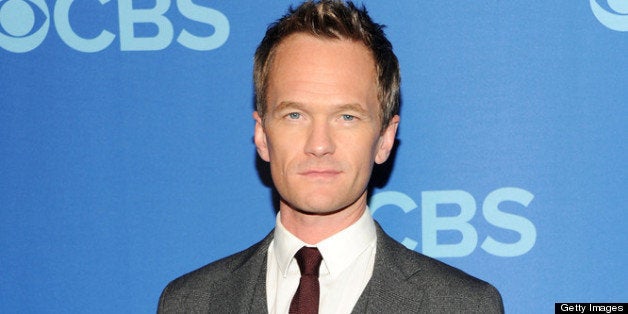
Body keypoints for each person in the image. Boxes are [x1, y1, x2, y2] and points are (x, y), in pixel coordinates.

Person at [158, 1, 504, 313]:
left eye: (346, 117)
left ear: (385, 138)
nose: (319, 144)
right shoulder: (191, 302)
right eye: (295, 115)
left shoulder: (462, 305)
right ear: (262, 135)